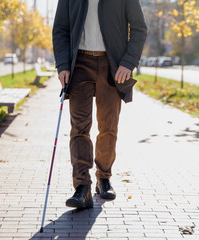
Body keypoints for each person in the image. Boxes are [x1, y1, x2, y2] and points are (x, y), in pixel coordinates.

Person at [52, 0, 147, 209]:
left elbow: (139, 28)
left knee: (108, 126)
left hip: (112, 65)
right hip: (79, 64)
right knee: (79, 128)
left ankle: (104, 178)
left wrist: (129, 62)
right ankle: (82, 187)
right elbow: (60, 29)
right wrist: (62, 65)